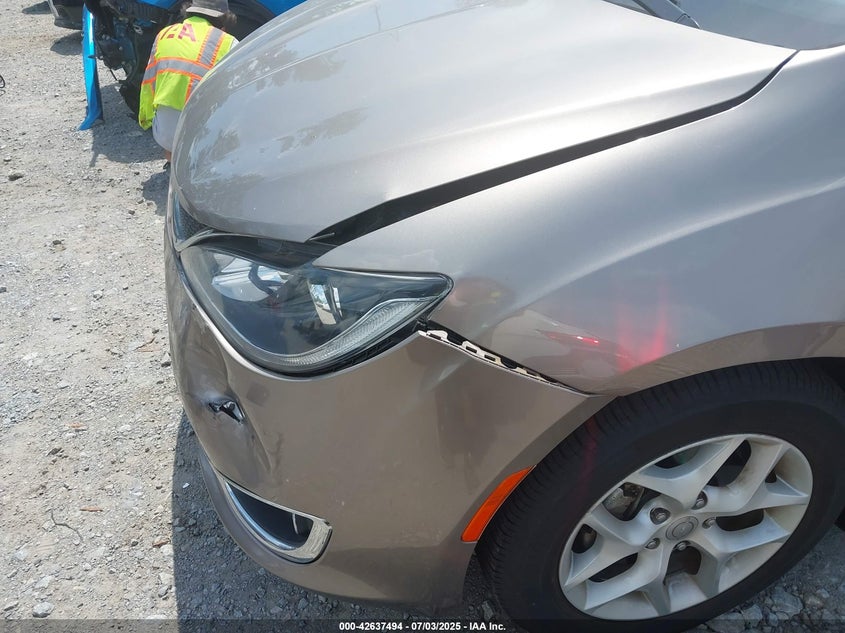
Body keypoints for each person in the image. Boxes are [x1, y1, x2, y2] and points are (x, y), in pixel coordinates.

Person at [138, 0, 238, 161]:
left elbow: (149, 81)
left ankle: (173, 162)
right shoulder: (228, 42)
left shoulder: (164, 34)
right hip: (201, 137)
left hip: (164, 133)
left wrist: (146, 120)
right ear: (223, 21)